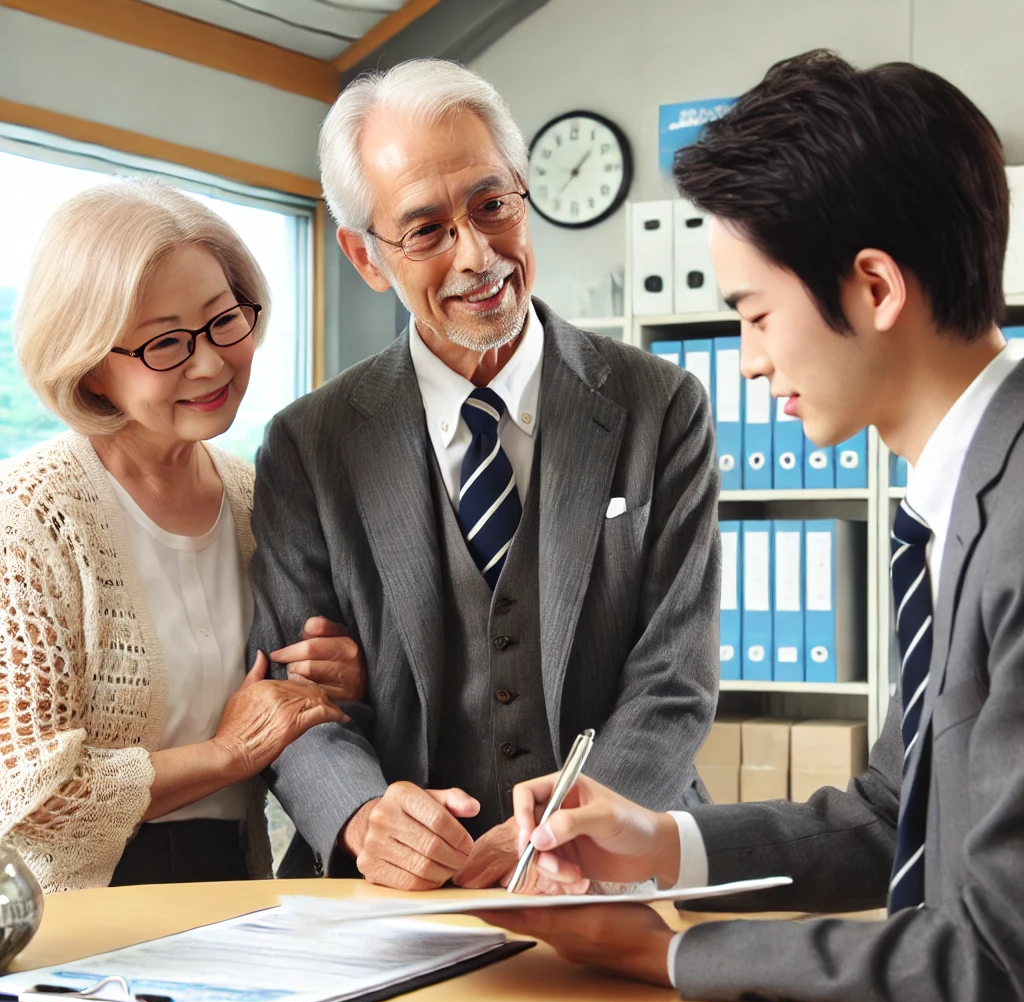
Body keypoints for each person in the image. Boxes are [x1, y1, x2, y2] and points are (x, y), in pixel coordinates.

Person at [477, 49, 1024, 1002]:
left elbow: (993, 961)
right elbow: (885, 813)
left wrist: (670, 956)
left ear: (874, 288)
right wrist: (660, 845)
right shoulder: (970, 490)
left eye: (755, 313)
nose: (748, 361)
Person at [251, 58, 720, 890]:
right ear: (364, 255)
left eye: (492, 205)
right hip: (396, 898)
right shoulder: (306, 445)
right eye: (426, 230)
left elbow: (674, 678)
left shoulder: (663, 406)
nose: (478, 255)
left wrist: (568, 828)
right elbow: (299, 705)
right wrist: (363, 817)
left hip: (618, 867)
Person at [0, 180, 365, 892]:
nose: (211, 362)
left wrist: (337, 679)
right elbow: (26, 796)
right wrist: (227, 753)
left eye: (224, 320)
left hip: (238, 883)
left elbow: (293, 710)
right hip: (71, 917)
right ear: (90, 366)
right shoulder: (29, 518)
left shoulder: (260, 498)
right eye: (166, 342)